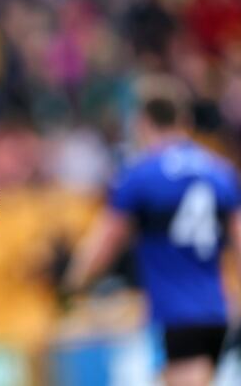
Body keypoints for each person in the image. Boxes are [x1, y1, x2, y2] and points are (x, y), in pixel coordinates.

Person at [64, 75, 241, 386]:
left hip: (176, 312)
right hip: (216, 309)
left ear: (143, 121)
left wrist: (72, 283)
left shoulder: (140, 175)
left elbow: (106, 240)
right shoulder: (220, 172)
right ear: (183, 119)